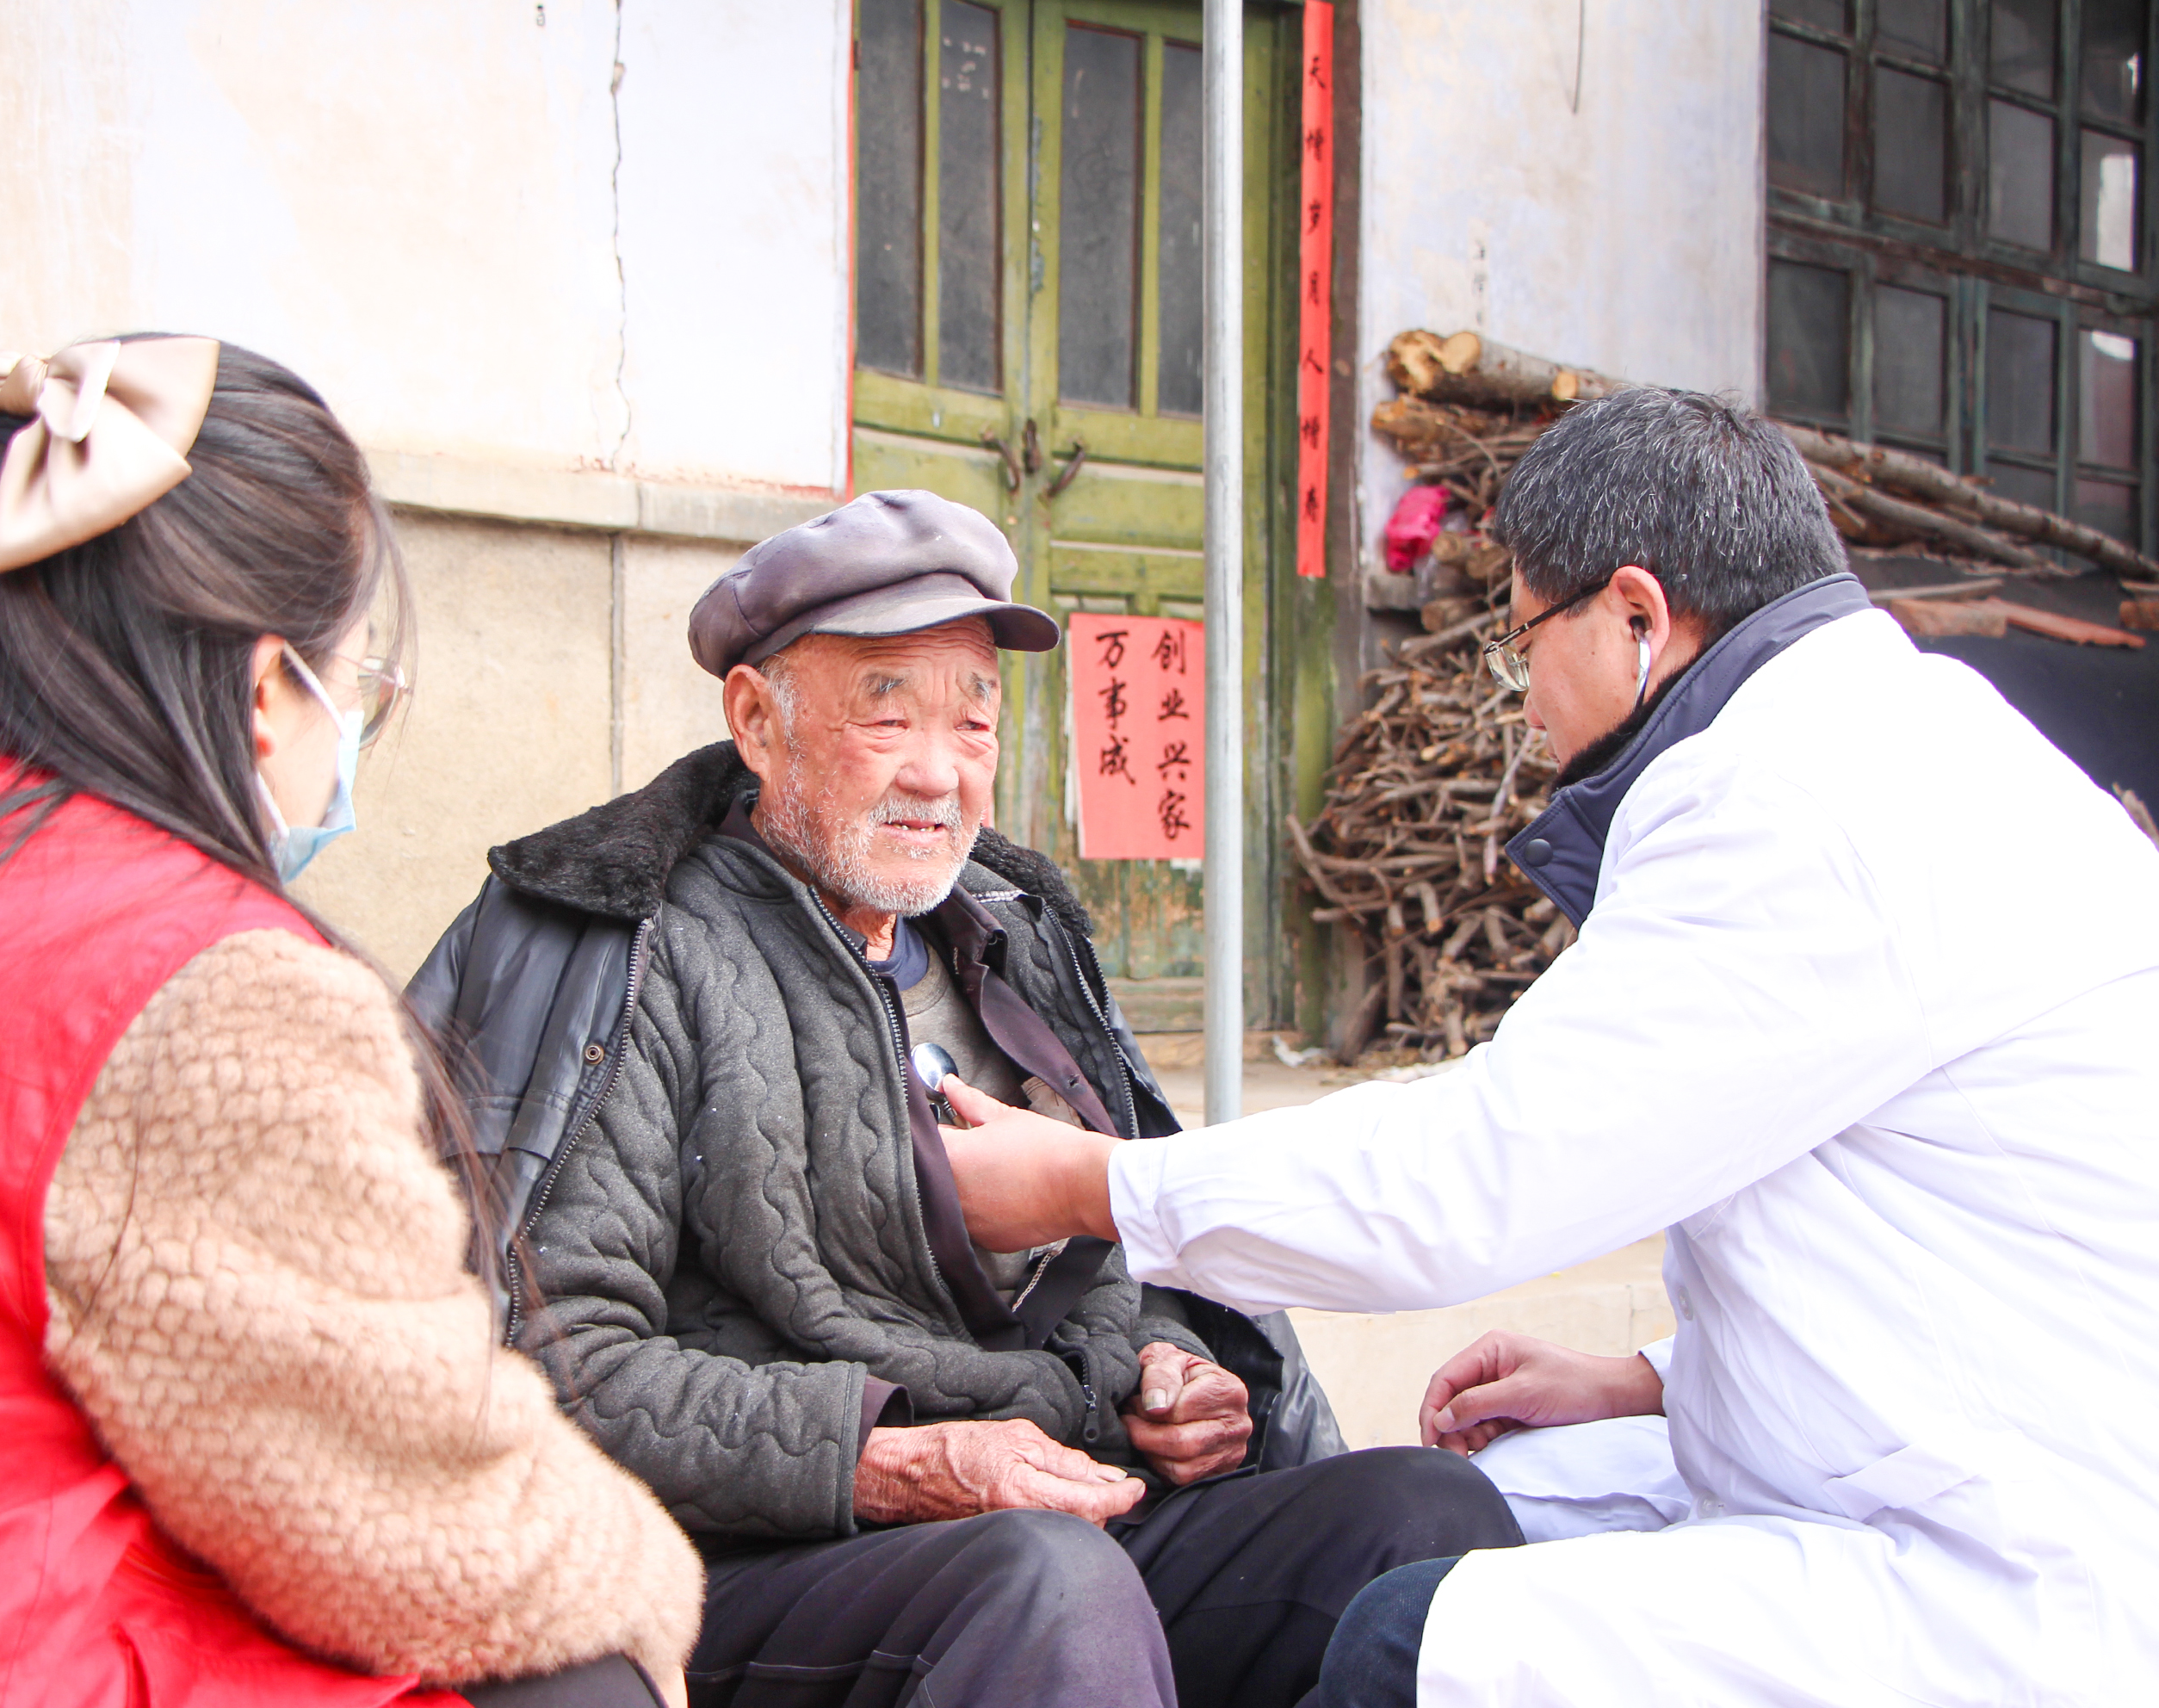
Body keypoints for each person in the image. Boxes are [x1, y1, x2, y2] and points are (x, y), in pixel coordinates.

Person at [937, 388, 2159, 1705]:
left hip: (2012, 1565)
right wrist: (1655, 1379)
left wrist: (1094, 1187)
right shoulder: (1915, 732)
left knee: (1411, 1640)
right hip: (1987, 1441)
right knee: (1460, 1504)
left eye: (1525, 638)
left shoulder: (1793, 804)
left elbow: (1480, 1169)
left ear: (1637, 618)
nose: (1524, 705)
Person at [0, 338, 701, 1708]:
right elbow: (409, 1510)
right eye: (359, 684)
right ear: (268, 688)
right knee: (577, 1674)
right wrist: (650, 1580)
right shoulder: (197, 985)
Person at [409, 489, 1519, 1708]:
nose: (938, 773)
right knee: (1050, 1584)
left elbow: (1117, 1253)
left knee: (1424, 1518)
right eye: (886, 714)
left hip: (1053, 1498)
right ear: (757, 722)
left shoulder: (1010, 934)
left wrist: (1163, 1366)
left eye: (974, 721)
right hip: (773, 1558)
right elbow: (562, 1362)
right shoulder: (644, 957)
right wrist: (891, 1460)